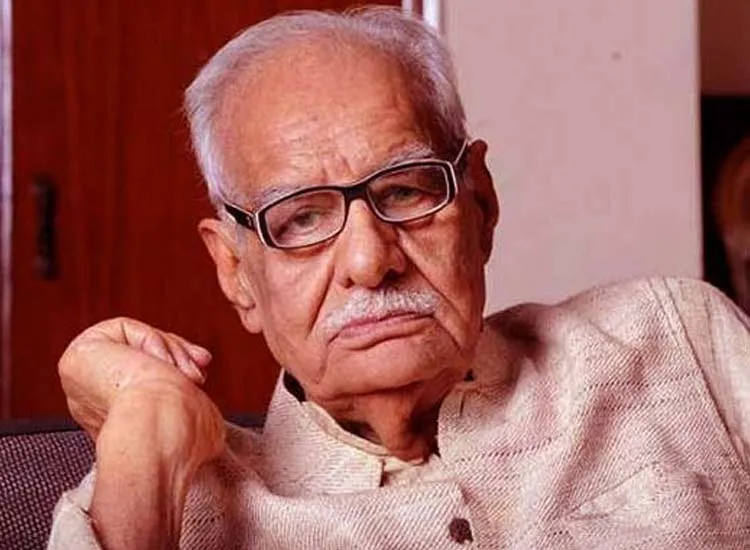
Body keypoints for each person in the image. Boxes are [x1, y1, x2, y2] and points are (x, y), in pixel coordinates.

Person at [48, 7, 750, 549]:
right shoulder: (175, 504)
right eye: (300, 219)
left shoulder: (675, 338)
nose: (369, 261)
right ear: (235, 272)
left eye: (407, 190)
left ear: (480, 205)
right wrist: (144, 424)